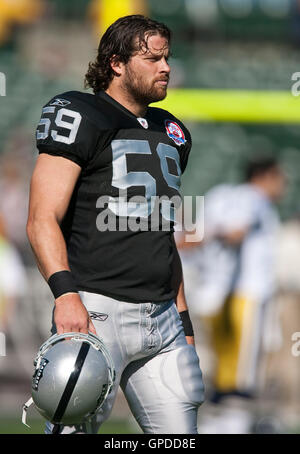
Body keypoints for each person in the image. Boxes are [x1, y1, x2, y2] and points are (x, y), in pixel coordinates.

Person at [26, 15, 205, 434]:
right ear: (116, 63)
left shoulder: (172, 130)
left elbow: (162, 237)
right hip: (95, 310)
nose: (165, 67)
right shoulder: (81, 113)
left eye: (167, 57)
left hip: (162, 319)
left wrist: (184, 319)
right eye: (152, 58)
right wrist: (65, 295)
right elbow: (40, 218)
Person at [177, 157, 286, 433]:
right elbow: (237, 231)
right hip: (246, 293)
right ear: (266, 176)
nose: (283, 186)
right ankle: (233, 425)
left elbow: (194, 235)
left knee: (224, 369)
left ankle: (218, 423)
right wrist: (219, 236)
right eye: (280, 179)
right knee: (242, 374)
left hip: (213, 293)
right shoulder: (255, 198)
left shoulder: (221, 194)